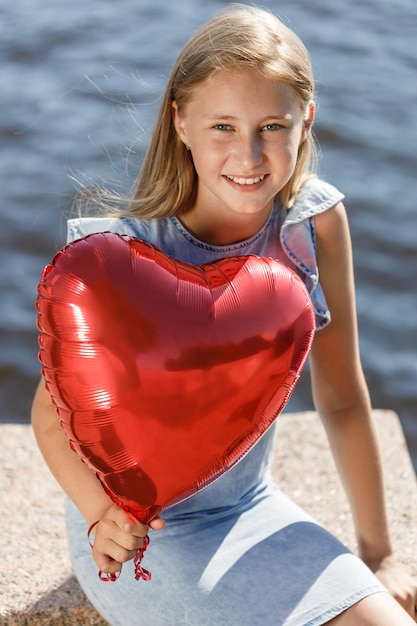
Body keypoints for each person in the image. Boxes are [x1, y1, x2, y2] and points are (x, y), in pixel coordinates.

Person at [31, 4, 417, 625]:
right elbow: (49, 418)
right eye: (222, 128)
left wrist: (382, 554)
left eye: (271, 126)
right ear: (180, 122)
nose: (248, 154)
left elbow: (343, 396)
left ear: (306, 121)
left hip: (250, 506)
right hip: (137, 527)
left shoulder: (312, 226)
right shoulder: (124, 258)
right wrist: (102, 515)